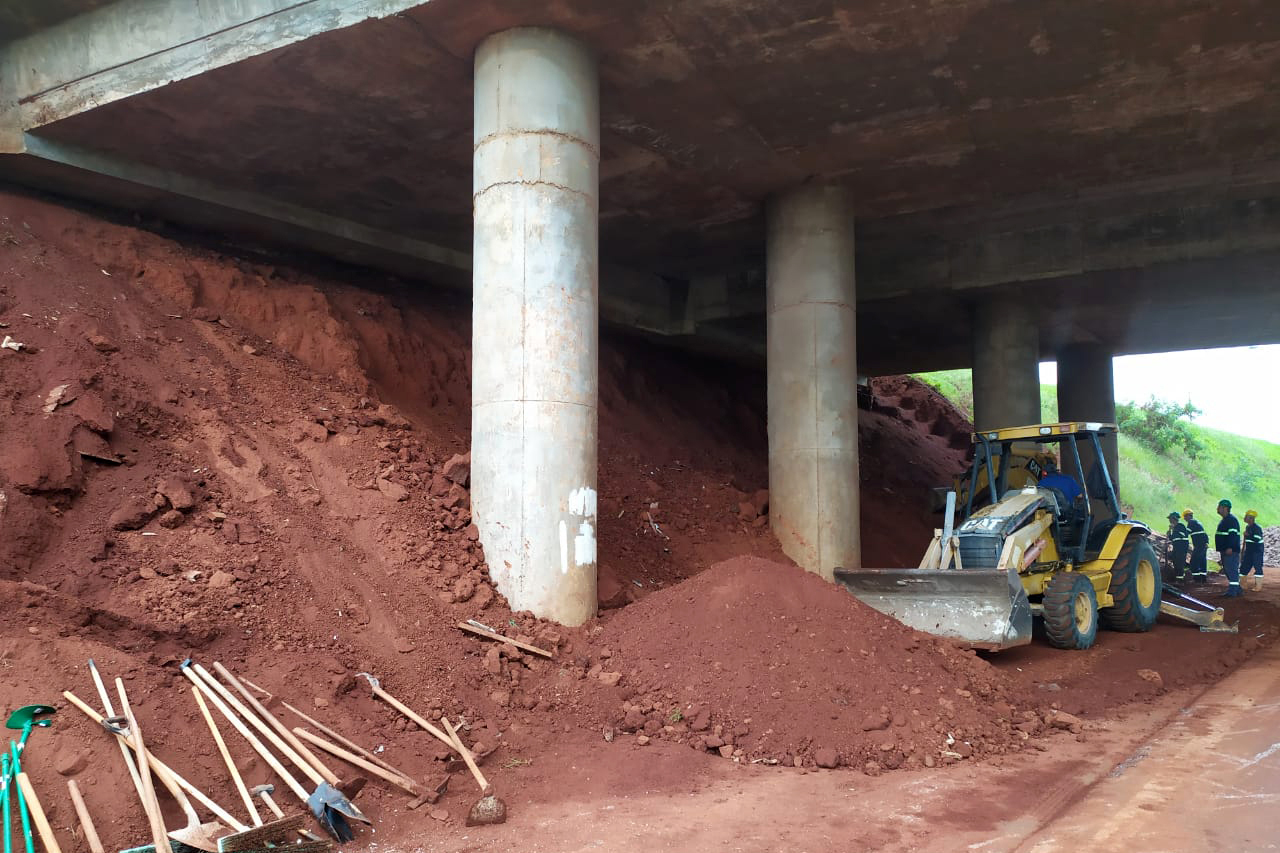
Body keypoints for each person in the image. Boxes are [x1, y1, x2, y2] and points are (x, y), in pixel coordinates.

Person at [1216, 499, 1243, 597]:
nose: (1217, 509)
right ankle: (1237, 590)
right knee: (1228, 570)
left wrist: (1230, 547)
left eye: (1219, 507)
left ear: (1225, 508)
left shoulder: (1231, 520)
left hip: (1230, 550)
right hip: (1225, 550)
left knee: (1231, 570)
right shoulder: (1226, 520)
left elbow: (1233, 535)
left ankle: (1232, 592)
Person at [1242, 509, 1265, 591]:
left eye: (1246, 517)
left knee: (1258, 567)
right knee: (1244, 567)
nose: (1244, 518)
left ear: (1251, 518)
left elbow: (1257, 539)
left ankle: (1258, 586)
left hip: (1257, 551)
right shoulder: (1248, 527)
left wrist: (1248, 535)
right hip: (1249, 551)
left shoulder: (1257, 528)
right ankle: (1242, 584)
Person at [1185, 508, 1210, 583]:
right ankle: (1203, 578)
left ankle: (1197, 579)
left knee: (1194, 561)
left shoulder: (1191, 522)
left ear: (1188, 516)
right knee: (1202, 561)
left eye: (1185, 517)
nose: (1185, 519)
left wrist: (1178, 531)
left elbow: (1187, 533)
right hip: (1204, 544)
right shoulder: (1197, 522)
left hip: (1199, 545)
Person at [1167, 511, 1190, 581]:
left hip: (1182, 548)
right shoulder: (1175, 528)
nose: (1169, 520)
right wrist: (1169, 534)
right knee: (1175, 562)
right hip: (1176, 548)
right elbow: (1173, 538)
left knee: (1179, 563)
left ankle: (1180, 580)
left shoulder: (1180, 526)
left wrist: (1174, 529)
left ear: (1174, 518)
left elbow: (1183, 535)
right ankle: (1179, 577)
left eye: (1170, 519)